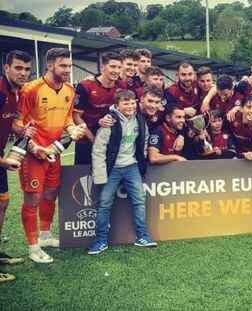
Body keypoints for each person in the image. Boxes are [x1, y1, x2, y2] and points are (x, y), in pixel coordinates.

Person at [14, 48, 85, 263]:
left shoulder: (70, 90)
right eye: (63, 65)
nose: (68, 70)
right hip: (33, 152)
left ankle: (45, 235)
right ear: (50, 65)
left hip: (55, 152)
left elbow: (67, 119)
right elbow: (17, 123)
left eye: (70, 66)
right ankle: (33, 247)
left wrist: (72, 129)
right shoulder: (30, 89)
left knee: (51, 193)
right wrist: (33, 146)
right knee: (33, 198)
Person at [89, 89, 156, 254]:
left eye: (133, 102)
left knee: (140, 200)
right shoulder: (109, 122)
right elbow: (98, 150)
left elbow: (144, 141)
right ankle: (100, 240)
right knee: (104, 204)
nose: (130, 106)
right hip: (112, 169)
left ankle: (143, 236)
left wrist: (141, 159)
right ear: (117, 105)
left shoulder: (140, 120)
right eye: (126, 103)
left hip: (131, 167)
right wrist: (100, 175)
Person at [0, 50, 32, 282]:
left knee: (2, 204)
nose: (23, 73)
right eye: (18, 68)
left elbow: (7, 120)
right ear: (6, 68)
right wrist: (3, 162)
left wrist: (18, 130)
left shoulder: (16, 93)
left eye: (27, 69)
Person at [73, 52, 126, 165]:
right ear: (102, 67)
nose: (116, 71)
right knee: (83, 177)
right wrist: (93, 139)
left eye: (119, 67)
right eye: (112, 66)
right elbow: (76, 116)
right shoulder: (86, 86)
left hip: (109, 141)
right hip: (86, 140)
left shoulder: (121, 86)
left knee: (108, 176)